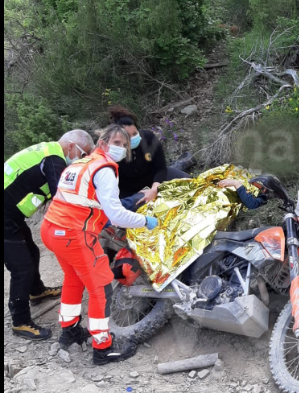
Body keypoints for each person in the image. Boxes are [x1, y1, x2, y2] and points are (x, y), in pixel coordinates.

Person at [41, 125, 159, 366]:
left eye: (124, 145)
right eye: (117, 143)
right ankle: (103, 349)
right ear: (102, 143)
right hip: (74, 235)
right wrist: (145, 221)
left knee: (73, 278)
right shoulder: (104, 169)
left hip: (52, 229)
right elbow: (116, 215)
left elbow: (86, 202)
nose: (121, 148)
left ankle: (70, 331)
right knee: (102, 287)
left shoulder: (79, 164)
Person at [4, 130, 96, 340]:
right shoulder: (54, 159)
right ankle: (20, 322)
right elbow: (62, 196)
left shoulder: (48, 151)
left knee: (32, 252)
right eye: (83, 154)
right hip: (5, 215)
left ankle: (37, 291)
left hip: (10, 214)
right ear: (71, 146)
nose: (82, 159)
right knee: (21, 268)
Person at [108, 106, 190, 210]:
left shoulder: (148, 138)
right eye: (128, 136)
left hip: (154, 177)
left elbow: (161, 168)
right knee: (140, 205)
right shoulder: (114, 152)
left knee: (187, 181)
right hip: (128, 189)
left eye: (135, 133)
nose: (133, 138)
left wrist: (154, 189)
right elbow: (116, 185)